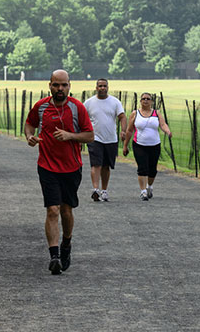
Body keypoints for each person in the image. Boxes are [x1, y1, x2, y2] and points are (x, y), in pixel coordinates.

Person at [25, 69, 94, 275]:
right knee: (52, 209)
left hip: (72, 167)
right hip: (47, 166)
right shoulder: (41, 106)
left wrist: (70, 136)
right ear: (50, 85)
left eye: (64, 85)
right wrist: (30, 137)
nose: (60, 89)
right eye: (56, 85)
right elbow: (29, 125)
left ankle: (66, 244)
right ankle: (54, 255)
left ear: (69, 86)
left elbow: (90, 135)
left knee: (66, 210)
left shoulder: (77, 108)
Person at [122, 92, 172, 201]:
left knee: (152, 169)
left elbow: (163, 124)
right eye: (143, 99)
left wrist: (168, 132)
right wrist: (125, 145)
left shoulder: (156, 113)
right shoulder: (135, 114)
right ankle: (143, 191)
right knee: (142, 168)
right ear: (140, 101)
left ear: (151, 101)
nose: (145, 100)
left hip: (154, 145)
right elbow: (129, 130)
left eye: (148, 99)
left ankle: (149, 186)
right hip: (139, 145)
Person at [83, 78, 126, 202]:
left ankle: (104, 190)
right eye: (100, 86)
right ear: (96, 88)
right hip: (94, 138)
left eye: (104, 86)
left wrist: (123, 130)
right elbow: (82, 119)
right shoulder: (89, 102)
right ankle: (95, 189)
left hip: (110, 138)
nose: (102, 88)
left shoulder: (115, 102)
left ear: (108, 87)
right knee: (96, 164)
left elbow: (122, 117)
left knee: (106, 166)